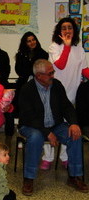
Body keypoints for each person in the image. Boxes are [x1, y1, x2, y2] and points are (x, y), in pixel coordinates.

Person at [18, 59, 88, 196]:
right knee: (36, 138)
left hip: (55, 124)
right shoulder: (27, 89)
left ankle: (74, 176)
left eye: (53, 72)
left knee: (75, 136)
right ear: (39, 76)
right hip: (31, 126)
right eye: (50, 73)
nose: (53, 76)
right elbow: (29, 117)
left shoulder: (56, 85)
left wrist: (73, 123)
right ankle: (29, 178)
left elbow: (67, 106)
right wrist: (46, 133)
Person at [42, 17, 89, 170]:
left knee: (68, 126)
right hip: (55, 94)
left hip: (73, 94)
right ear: (59, 31)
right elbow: (60, 66)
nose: (67, 30)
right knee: (50, 124)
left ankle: (64, 156)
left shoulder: (80, 49)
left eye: (70, 27)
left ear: (74, 30)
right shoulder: (54, 47)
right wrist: (67, 46)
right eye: (64, 28)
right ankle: (47, 157)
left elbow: (84, 70)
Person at [14, 31, 48, 118]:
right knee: (23, 106)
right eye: (29, 41)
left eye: (33, 40)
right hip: (23, 83)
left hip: (39, 84)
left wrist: (30, 68)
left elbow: (41, 70)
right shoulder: (20, 54)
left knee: (37, 107)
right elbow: (18, 70)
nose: (32, 42)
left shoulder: (43, 54)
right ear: (25, 43)